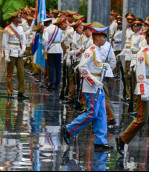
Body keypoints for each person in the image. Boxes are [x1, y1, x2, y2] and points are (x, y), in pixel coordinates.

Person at [115, 25, 149, 160]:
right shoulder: (142, 53)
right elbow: (140, 74)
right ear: (146, 38)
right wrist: (143, 92)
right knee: (141, 119)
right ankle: (122, 139)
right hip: (145, 90)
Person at [63, 22, 114, 153]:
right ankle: (69, 129)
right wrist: (94, 81)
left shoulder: (98, 50)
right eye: (103, 37)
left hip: (99, 86)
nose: (105, 39)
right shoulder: (90, 51)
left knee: (101, 114)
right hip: (91, 87)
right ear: (96, 37)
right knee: (92, 113)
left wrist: (105, 68)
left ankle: (101, 141)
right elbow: (82, 67)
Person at [2, 12, 29, 100]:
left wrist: (23, 49)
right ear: (14, 19)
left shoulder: (21, 28)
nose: (20, 18)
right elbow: (4, 42)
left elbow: (23, 39)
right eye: (19, 17)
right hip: (11, 52)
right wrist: (5, 55)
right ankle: (10, 92)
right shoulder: (8, 29)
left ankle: (21, 92)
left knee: (21, 72)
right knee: (10, 73)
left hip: (19, 52)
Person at [43, 18, 63, 90]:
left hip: (51, 49)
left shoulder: (46, 30)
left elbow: (45, 41)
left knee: (51, 67)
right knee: (58, 68)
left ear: (47, 23)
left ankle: (51, 84)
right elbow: (61, 39)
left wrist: (45, 50)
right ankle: (57, 84)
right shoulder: (59, 29)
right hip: (59, 49)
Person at [118, 12, 135, 102]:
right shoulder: (128, 30)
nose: (128, 22)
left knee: (129, 76)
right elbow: (126, 44)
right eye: (127, 20)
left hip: (132, 55)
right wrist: (122, 53)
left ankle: (129, 95)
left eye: (129, 20)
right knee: (126, 76)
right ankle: (128, 94)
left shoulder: (134, 32)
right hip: (127, 54)